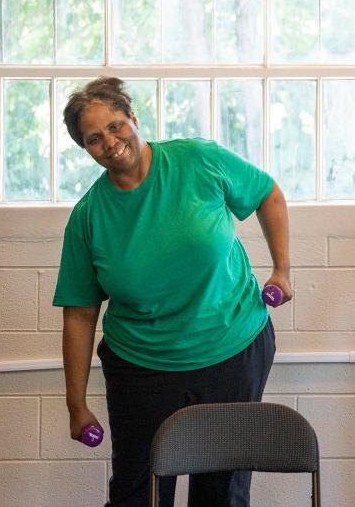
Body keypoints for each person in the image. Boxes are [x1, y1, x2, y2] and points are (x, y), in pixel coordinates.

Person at [53, 76, 292, 507]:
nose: (109, 141)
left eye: (115, 125)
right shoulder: (88, 217)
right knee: (138, 490)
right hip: (142, 365)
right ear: (85, 149)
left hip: (232, 347)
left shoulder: (199, 161)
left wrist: (282, 270)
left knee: (221, 491)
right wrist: (76, 404)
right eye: (93, 138)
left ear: (133, 118)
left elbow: (267, 193)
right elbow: (79, 313)